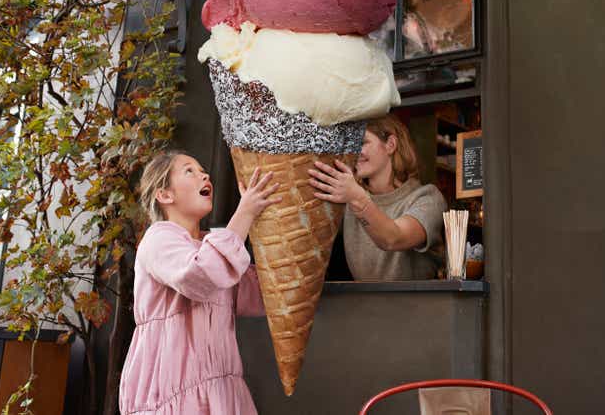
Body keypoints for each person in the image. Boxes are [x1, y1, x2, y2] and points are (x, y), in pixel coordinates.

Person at [119, 150, 280, 415]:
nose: (204, 175)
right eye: (189, 171)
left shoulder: (213, 247)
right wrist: (245, 214)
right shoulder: (158, 239)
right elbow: (201, 275)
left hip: (220, 389)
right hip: (172, 391)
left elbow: (262, 296)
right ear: (165, 195)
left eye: (203, 169)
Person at [308, 114, 447, 281]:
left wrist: (356, 198)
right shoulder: (349, 198)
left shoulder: (428, 198)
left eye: (362, 142)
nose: (353, 151)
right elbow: (307, 238)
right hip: (362, 305)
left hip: (414, 306)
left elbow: (393, 239)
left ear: (390, 145)